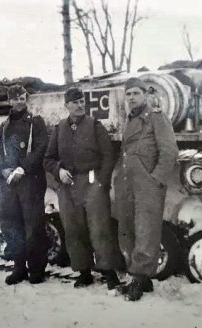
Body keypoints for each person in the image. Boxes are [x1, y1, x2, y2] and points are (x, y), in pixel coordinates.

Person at [44, 87, 123, 292]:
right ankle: (84, 272)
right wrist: (58, 171)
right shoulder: (59, 128)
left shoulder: (95, 125)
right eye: (75, 102)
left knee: (99, 228)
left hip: (92, 183)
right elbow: (48, 159)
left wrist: (101, 182)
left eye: (82, 102)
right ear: (66, 106)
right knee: (73, 229)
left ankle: (109, 272)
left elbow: (108, 155)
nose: (80, 105)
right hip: (67, 186)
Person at [114, 77, 179, 301]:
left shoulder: (157, 118)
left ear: (145, 95)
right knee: (129, 228)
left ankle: (138, 278)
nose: (132, 97)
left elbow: (169, 151)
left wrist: (155, 180)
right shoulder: (130, 120)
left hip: (147, 185)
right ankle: (141, 278)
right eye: (128, 94)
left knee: (146, 231)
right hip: (128, 184)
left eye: (136, 93)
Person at [0, 85, 49, 285]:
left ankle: (36, 269)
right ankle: (18, 267)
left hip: (30, 181)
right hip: (9, 183)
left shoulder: (36, 122)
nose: (19, 102)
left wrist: (22, 168)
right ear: (9, 101)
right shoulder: (4, 126)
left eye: (22, 98)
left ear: (27, 99)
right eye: (15, 99)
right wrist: (2, 169)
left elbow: (42, 147)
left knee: (33, 226)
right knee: (10, 224)